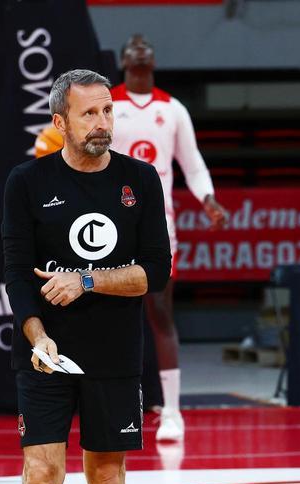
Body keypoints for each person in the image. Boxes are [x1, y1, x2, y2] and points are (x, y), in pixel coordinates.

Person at [0, 69, 171, 484]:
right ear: (60, 122)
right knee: (41, 476)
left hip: (114, 355)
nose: (102, 124)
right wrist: (36, 332)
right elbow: (18, 273)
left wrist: (88, 279)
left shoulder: (139, 180)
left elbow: (157, 271)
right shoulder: (28, 182)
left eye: (107, 112)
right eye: (89, 114)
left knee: (107, 479)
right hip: (45, 354)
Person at [108, 34, 229, 443]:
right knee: (107, 314)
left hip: (158, 223)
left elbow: (193, 166)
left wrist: (209, 201)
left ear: (153, 60)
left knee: (159, 310)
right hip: (109, 223)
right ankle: (110, 403)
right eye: (133, 47)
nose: (141, 49)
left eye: (147, 46)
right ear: (124, 60)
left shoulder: (172, 108)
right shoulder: (107, 104)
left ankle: (173, 412)